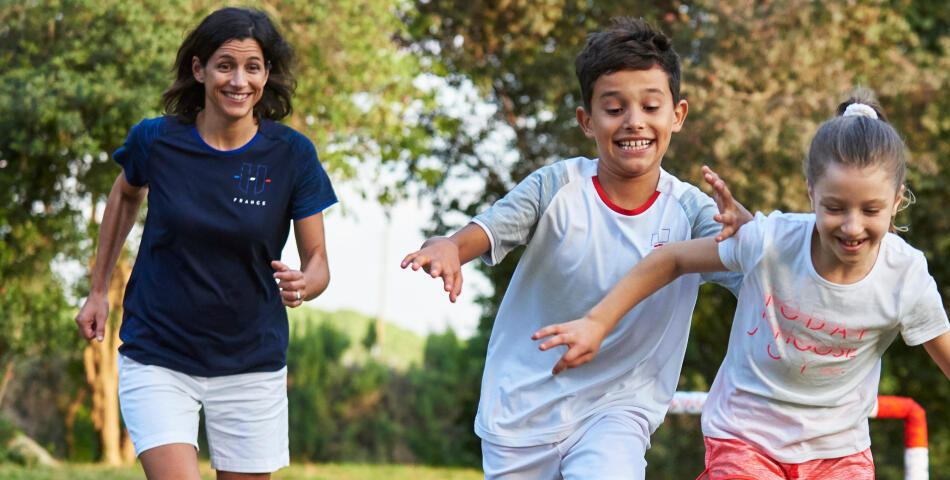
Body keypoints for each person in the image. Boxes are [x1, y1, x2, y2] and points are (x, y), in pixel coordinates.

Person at [535, 94, 950, 480]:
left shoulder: (905, 277)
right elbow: (671, 259)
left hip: (839, 451)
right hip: (745, 438)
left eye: (871, 210)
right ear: (811, 194)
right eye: (833, 207)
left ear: (896, 202)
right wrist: (599, 321)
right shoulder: (770, 242)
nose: (851, 226)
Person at [398, 17, 750, 480]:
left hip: (618, 409)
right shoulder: (557, 187)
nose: (634, 121)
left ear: (677, 115)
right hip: (521, 409)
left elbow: (762, 269)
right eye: (614, 108)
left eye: (650, 105)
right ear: (587, 120)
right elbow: (484, 230)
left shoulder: (691, 211)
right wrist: (447, 247)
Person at [72, 7, 334, 480]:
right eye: (225, 65)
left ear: (266, 74)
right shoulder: (156, 141)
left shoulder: (292, 154)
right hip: (159, 355)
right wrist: (97, 289)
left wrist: (305, 284)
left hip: (252, 362)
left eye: (253, 66)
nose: (239, 81)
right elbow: (125, 194)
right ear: (200, 69)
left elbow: (317, 261)